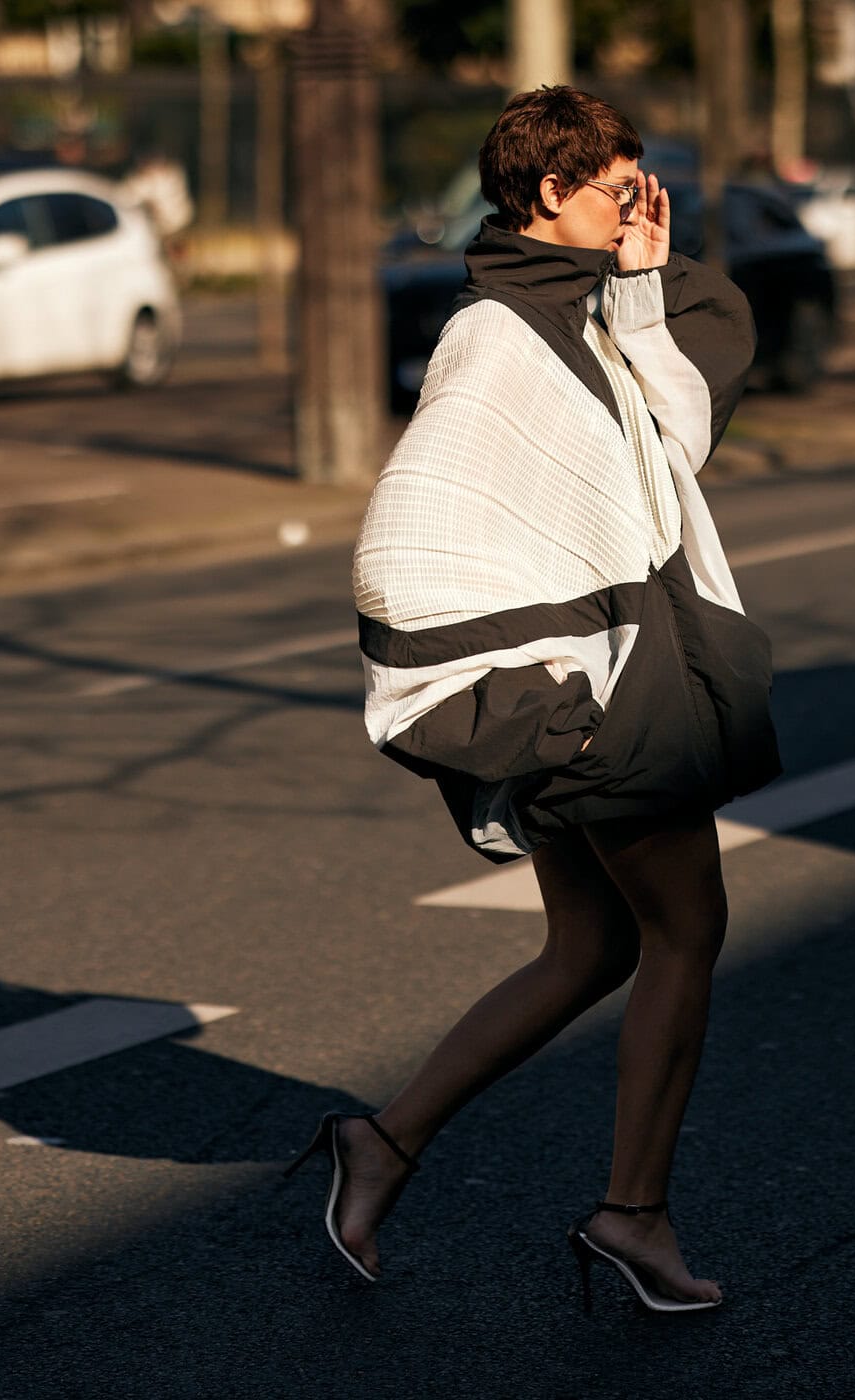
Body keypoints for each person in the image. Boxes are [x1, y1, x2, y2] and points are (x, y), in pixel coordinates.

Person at [289, 86, 780, 1314]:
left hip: (611, 669)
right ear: (548, 194)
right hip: (587, 692)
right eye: (619, 190)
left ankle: (384, 1141)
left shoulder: (591, 309)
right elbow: (421, 528)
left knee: (596, 940)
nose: (637, 208)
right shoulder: (496, 333)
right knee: (686, 931)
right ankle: (634, 1213)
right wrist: (530, 677)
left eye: (641, 187)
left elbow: (668, 451)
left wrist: (643, 278)